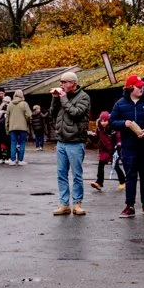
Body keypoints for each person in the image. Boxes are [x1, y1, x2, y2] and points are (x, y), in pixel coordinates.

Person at [110, 75, 144, 218]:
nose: (141, 88)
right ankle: (129, 206)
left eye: (142, 86)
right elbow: (112, 121)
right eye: (138, 86)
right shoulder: (120, 104)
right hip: (129, 146)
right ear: (130, 88)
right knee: (130, 176)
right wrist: (124, 124)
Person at [50, 71, 91, 216]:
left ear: (72, 83)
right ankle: (64, 204)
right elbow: (52, 114)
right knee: (61, 174)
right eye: (60, 82)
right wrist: (55, 99)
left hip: (75, 141)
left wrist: (63, 98)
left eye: (64, 82)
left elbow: (76, 113)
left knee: (76, 175)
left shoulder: (84, 97)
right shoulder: (62, 97)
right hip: (61, 141)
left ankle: (78, 203)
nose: (61, 85)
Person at [5, 90, 31, 166]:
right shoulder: (24, 104)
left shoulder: (10, 105)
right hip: (23, 127)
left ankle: (12, 160)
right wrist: (27, 122)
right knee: (22, 143)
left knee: (13, 143)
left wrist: (7, 128)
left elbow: (7, 118)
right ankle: (20, 160)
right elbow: (29, 115)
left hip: (12, 127)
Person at [91, 111, 116, 192]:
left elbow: (118, 136)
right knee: (100, 165)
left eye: (105, 121)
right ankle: (99, 182)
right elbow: (96, 138)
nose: (103, 123)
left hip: (112, 150)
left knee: (116, 166)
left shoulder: (113, 128)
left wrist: (119, 144)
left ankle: (122, 180)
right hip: (103, 150)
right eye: (101, 121)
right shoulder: (99, 128)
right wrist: (92, 136)